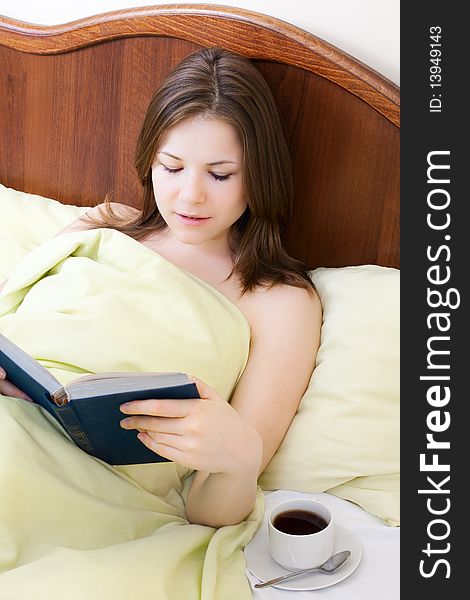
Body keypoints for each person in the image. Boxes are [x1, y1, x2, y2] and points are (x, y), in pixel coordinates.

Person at [0, 47, 320, 541]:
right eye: (172, 167)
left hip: (76, 487)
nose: (191, 195)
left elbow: (209, 511)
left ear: (259, 175)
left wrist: (238, 463)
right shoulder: (102, 225)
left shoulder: (279, 303)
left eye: (219, 175)